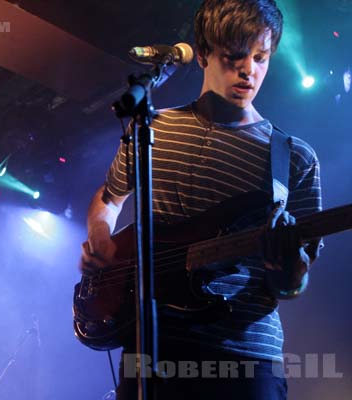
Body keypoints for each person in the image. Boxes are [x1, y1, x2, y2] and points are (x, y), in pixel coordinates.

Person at [75, 0, 323, 399]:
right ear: (203, 52)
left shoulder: (293, 157)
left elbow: (292, 285)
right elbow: (108, 198)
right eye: (235, 56)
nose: (249, 70)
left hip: (243, 357)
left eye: (261, 57)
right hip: (153, 346)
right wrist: (100, 234)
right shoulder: (153, 128)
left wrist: (288, 268)